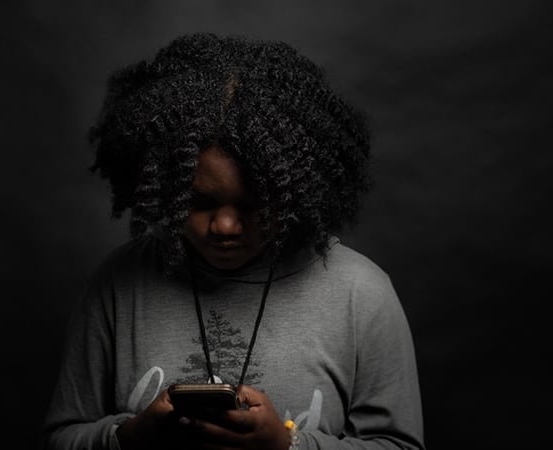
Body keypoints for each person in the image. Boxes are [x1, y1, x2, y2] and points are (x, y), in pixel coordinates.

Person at [42, 33, 424, 450]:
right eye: (199, 201)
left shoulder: (361, 294)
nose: (225, 226)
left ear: (292, 191)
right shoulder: (119, 285)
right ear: (163, 186)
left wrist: (287, 446)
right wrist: (129, 437)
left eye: (253, 204)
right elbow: (60, 439)